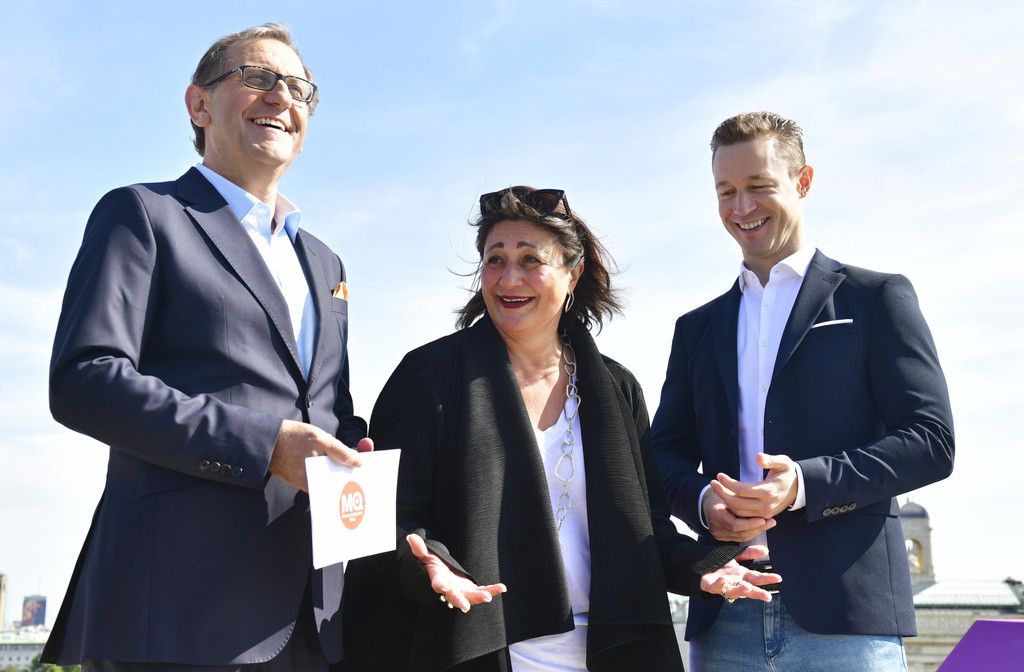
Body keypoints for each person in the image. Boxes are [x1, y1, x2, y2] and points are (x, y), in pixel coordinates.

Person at [341, 187, 781, 672]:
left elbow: (647, 528)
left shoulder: (616, 387)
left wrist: (701, 566)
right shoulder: (427, 378)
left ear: (573, 274)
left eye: (531, 260)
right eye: (495, 259)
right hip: (482, 647)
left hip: (613, 653)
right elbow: (389, 519)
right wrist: (429, 564)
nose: (509, 278)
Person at [44, 24, 372, 671]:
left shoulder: (325, 261)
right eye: (258, 78)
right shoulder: (143, 214)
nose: (282, 96)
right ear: (199, 105)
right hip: (179, 613)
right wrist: (265, 445)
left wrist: (365, 468)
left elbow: (329, 412)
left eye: (299, 87)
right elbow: (85, 379)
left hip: (311, 619)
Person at [650, 111, 955, 671]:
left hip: (847, 619)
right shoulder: (696, 329)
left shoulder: (876, 298)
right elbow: (662, 455)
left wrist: (803, 485)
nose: (742, 206)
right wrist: (703, 502)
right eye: (726, 191)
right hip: (725, 611)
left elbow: (931, 441)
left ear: (804, 181)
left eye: (759, 185)